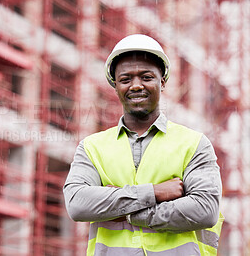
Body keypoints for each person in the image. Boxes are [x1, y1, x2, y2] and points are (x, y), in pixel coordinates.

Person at [63, 34, 223, 256]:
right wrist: (154, 192)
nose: (136, 85)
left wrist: (126, 211)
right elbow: (77, 204)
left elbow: (204, 210)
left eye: (146, 77)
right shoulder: (92, 147)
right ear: (115, 86)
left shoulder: (193, 144)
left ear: (162, 81)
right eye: (126, 79)